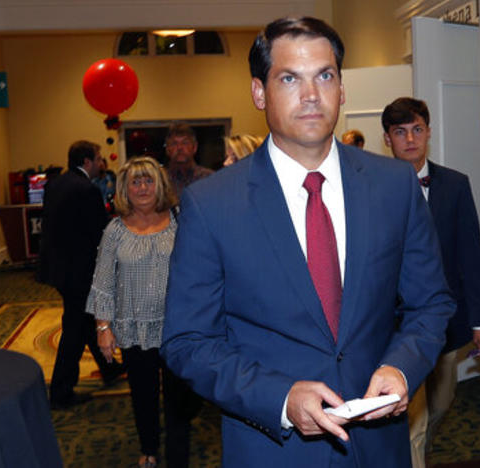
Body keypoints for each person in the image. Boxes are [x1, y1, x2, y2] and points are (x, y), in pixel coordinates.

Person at [161, 17, 455, 468]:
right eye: (289, 78)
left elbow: (430, 303)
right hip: (274, 449)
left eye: (325, 75)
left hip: (378, 445)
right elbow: (189, 342)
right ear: (259, 92)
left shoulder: (394, 185)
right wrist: (279, 398)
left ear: (341, 88)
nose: (311, 94)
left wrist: (401, 367)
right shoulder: (210, 204)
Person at [381, 97, 480, 467]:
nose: (410, 139)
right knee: (411, 414)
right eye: (400, 132)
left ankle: (419, 451)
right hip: (395, 327)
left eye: (417, 129)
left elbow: (471, 256)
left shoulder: (455, 185)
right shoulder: (371, 188)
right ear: (388, 139)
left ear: (428, 132)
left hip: (445, 322)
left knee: (441, 404)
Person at [87, 156, 199, 468]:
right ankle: (149, 448)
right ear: (124, 189)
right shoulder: (114, 231)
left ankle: (179, 455)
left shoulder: (180, 222)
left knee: (180, 398)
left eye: (148, 180)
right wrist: (103, 328)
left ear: (160, 185)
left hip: (177, 327)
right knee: (143, 395)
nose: (142, 187)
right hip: (134, 328)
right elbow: (103, 282)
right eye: (135, 182)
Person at [39, 140, 125, 409]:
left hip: (58, 267)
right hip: (78, 270)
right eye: (98, 158)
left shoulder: (56, 183)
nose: (102, 163)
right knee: (74, 331)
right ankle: (62, 392)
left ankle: (108, 368)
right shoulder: (86, 189)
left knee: (86, 321)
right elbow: (99, 229)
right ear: (87, 161)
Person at [164, 122, 213, 201]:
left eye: (185, 143)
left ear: (195, 147)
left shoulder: (208, 178)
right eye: (174, 143)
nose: (180, 148)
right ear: (168, 149)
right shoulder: (161, 180)